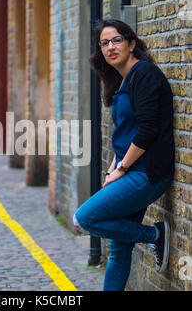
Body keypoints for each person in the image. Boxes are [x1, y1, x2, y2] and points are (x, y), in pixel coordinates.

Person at [73, 19, 175, 291]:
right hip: (130, 169)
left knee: (84, 218)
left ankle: (154, 235)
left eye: (116, 40)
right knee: (119, 250)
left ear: (131, 44)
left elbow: (148, 129)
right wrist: (113, 168)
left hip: (147, 172)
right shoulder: (121, 82)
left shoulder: (144, 74)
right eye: (104, 43)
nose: (110, 47)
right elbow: (125, 134)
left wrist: (123, 167)